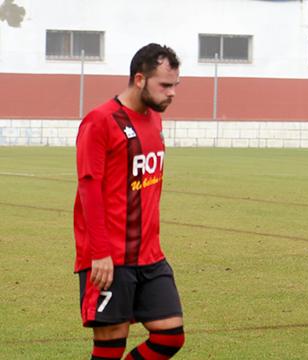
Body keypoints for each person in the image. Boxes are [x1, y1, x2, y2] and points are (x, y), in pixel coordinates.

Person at [73, 43, 185, 359]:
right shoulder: (100, 121)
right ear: (139, 79)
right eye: (164, 85)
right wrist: (99, 253)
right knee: (110, 346)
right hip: (109, 257)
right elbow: (89, 189)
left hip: (150, 254)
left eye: (175, 84)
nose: (172, 93)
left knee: (170, 336)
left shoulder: (155, 120)